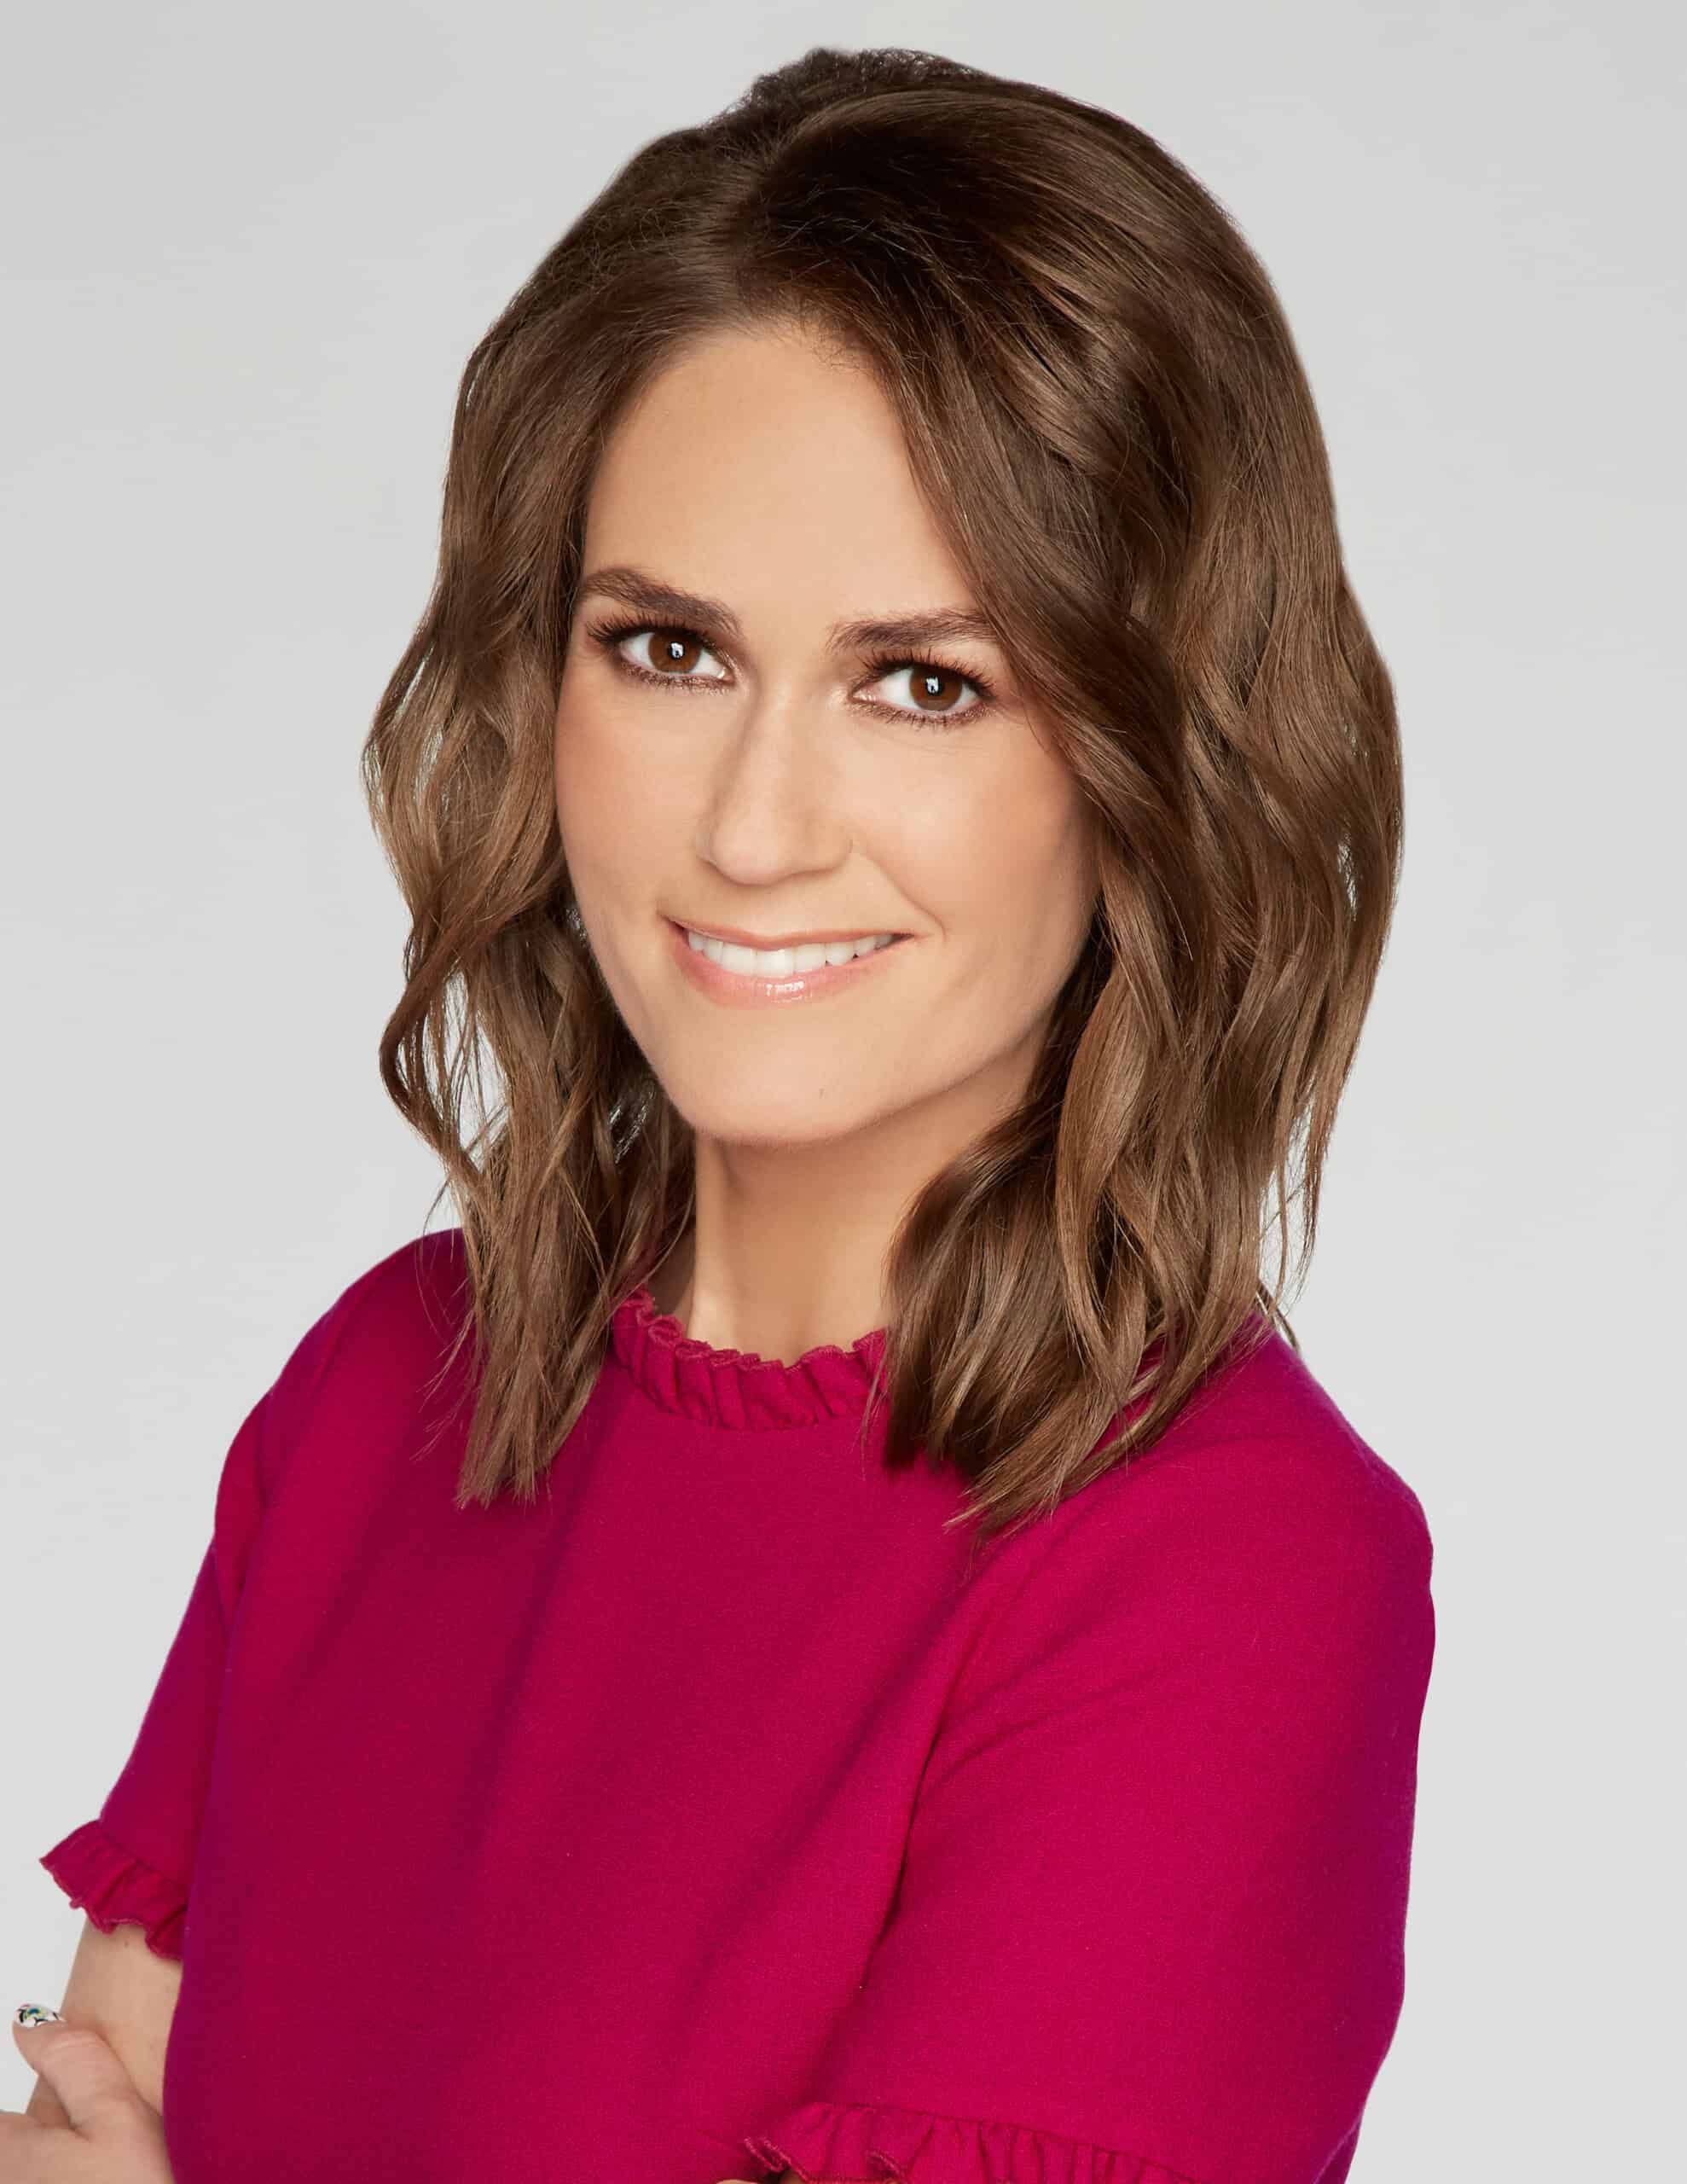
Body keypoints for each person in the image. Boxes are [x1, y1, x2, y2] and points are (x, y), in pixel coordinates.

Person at [16, 44, 1435, 2184]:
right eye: (667, 647)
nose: (754, 826)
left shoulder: (1215, 1569)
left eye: (924, 680)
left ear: (1157, 766)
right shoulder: (379, 1396)